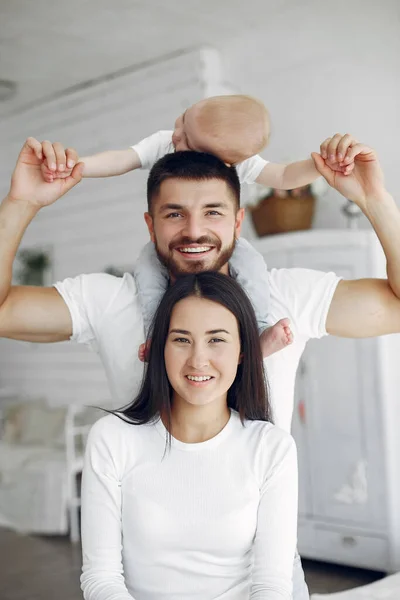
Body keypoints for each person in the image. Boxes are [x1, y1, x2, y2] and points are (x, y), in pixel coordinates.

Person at [1, 132, 400, 600]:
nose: (194, 231)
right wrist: (21, 202)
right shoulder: (110, 301)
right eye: (175, 214)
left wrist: (375, 199)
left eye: (212, 211)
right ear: (150, 226)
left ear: (237, 222)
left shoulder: (284, 296)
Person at [38, 95, 354, 360]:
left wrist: (320, 167)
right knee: (147, 275)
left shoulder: (236, 161)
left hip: (233, 250)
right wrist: (79, 167)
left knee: (253, 266)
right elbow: (124, 159)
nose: (176, 135)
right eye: (182, 121)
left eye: (187, 139)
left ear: (219, 156)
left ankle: (256, 335)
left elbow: (284, 177)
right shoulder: (166, 142)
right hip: (160, 261)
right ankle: (156, 336)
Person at [80, 271, 298, 600]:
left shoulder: (272, 448)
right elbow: (101, 578)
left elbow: (272, 586)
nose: (198, 360)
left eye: (216, 339)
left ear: (242, 351)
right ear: (160, 350)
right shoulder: (111, 439)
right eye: (181, 339)